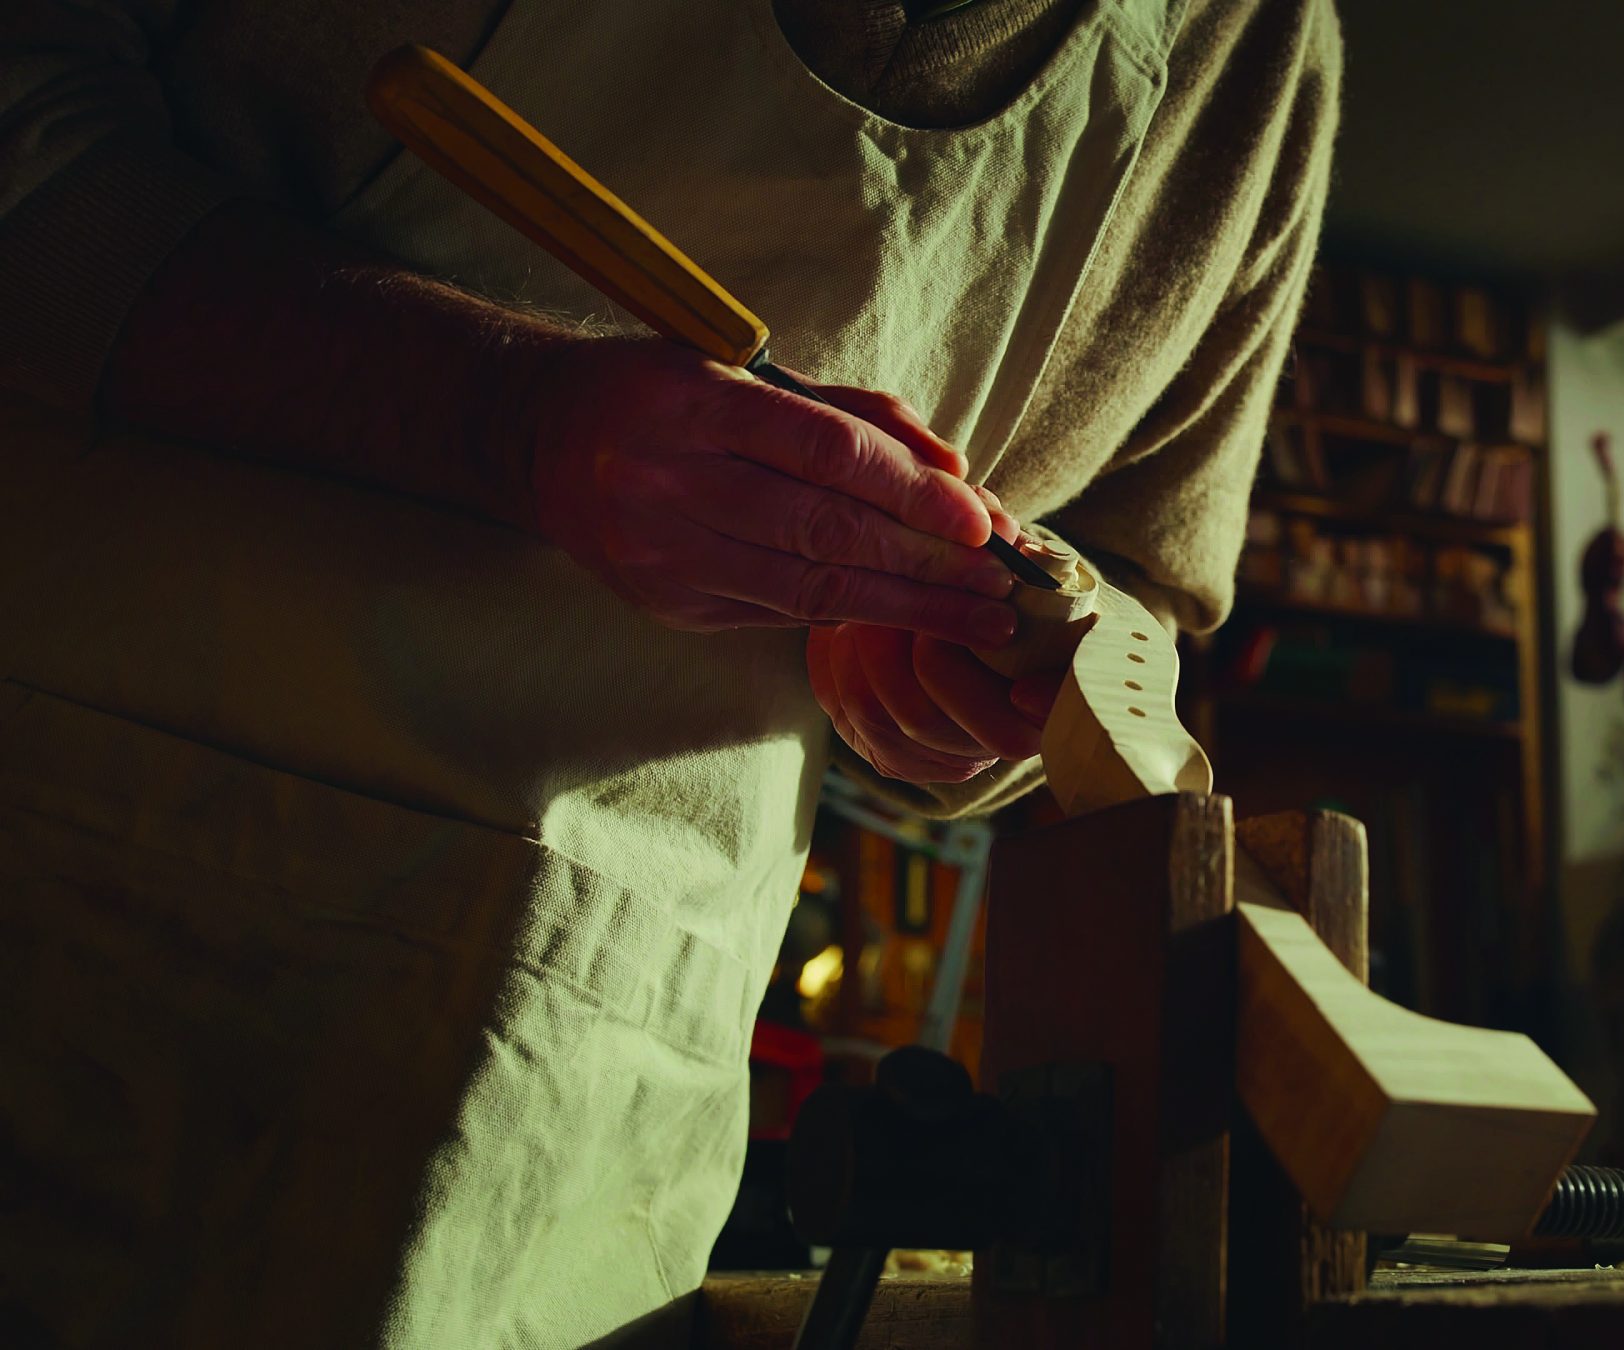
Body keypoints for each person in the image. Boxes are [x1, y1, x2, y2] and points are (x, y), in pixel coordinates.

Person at [0, 0, 1339, 1343]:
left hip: (581, 1099)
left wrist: (995, 684)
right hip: (82, 909)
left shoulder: (1260, 56)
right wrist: (499, 414)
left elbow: (1140, 591)